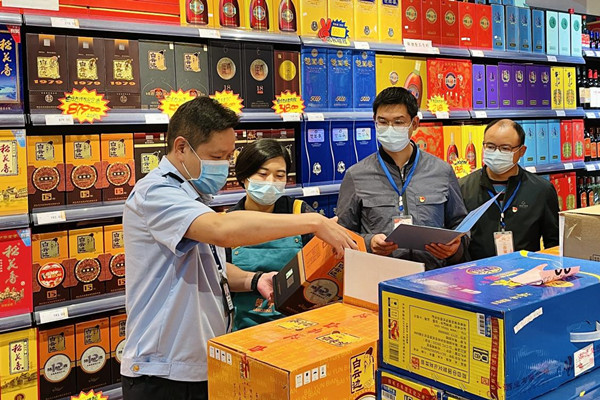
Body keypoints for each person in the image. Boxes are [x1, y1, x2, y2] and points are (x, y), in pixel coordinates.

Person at [121, 96, 357, 400]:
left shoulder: (191, 197)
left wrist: (253, 280)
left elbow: (208, 268)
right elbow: (223, 231)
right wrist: (313, 221)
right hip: (164, 374)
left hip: (199, 366)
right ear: (181, 148)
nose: (223, 166)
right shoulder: (156, 192)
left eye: (227, 157)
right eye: (216, 156)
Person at [336, 87, 468, 270]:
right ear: (374, 121)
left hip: (432, 275)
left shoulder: (442, 171)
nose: (390, 128)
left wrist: (455, 248)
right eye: (383, 122)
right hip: (378, 275)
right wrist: (369, 243)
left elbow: (460, 225)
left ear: (415, 123)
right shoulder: (356, 175)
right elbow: (341, 234)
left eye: (398, 122)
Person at [225, 139, 313, 330]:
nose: (271, 182)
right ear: (244, 177)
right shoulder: (228, 223)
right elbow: (219, 275)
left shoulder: (300, 213)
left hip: (298, 323)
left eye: (279, 175)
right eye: (262, 174)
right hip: (245, 327)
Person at [459, 119, 559, 260]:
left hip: (526, 270)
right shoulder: (463, 188)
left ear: (521, 151)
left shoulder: (541, 190)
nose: (496, 153)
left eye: (505, 148)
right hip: (476, 271)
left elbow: (554, 243)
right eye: (490, 147)